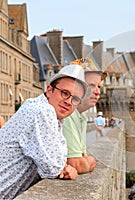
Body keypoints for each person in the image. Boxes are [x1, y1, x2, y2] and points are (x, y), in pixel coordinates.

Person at [0, 64, 88, 199]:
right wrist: (62, 168)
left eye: (75, 98)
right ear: (49, 90)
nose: (69, 102)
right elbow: (52, 168)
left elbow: (59, 159)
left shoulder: (48, 113)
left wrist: (61, 165)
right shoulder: (42, 111)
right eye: (65, 93)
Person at [62, 59, 106, 174]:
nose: (97, 92)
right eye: (92, 85)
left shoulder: (82, 116)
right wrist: (89, 161)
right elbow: (77, 164)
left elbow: (82, 156)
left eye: (99, 87)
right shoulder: (67, 113)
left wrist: (86, 161)